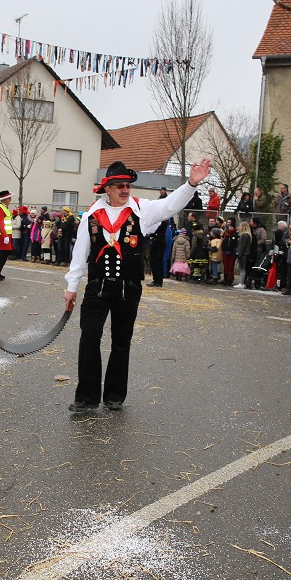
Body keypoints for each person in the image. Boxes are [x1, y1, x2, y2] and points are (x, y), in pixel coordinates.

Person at [65, 158, 211, 412]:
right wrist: (71, 286)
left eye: (128, 185)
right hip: (97, 288)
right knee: (89, 338)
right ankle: (87, 398)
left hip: (128, 289)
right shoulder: (91, 215)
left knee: (121, 342)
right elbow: (80, 254)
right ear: (107, 189)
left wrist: (190, 184)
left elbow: (169, 205)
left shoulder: (142, 210)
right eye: (119, 185)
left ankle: (114, 396)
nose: (125, 190)